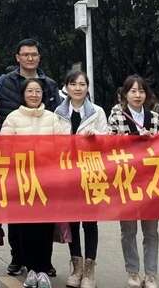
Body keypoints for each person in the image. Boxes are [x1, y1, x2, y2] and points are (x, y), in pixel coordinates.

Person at [0, 38, 62, 277]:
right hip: (15, 162)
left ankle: (44, 262)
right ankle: (18, 257)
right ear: (17, 57)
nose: (29, 58)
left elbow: (60, 115)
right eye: (25, 54)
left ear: (39, 57)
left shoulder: (49, 84)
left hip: (45, 166)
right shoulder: (4, 82)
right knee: (17, 214)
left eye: (33, 54)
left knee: (45, 215)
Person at [1, 77, 62, 288]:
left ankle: (43, 269)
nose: (34, 95)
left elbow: (62, 147)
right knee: (25, 227)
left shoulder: (52, 118)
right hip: (22, 182)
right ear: (23, 94)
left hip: (46, 182)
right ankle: (31, 270)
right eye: (30, 91)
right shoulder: (13, 118)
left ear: (43, 94)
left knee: (45, 228)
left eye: (38, 91)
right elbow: (4, 149)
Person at [108, 75, 159, 288]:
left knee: (151, 231)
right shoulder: (116, 116)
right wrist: (134, 141)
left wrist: (154, 140)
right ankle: (133, 272)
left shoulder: (155, 118)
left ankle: (151, 274)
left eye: (141, 91)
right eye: (132, 91)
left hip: (151, 182)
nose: (137, 95)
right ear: (125, 94)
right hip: (127, 180)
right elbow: (111, 144)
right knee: (128, 230)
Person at [54, 70, 108, 288]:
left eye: (82, 84)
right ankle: (76, 267)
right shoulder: (57, 113)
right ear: (66, 87)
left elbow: (107, 140)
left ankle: (89, 269)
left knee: (90, 222)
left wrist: (95, 139)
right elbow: (52, 143)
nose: (78, 88)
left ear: (87, 87)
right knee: (72, 220)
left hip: (90, 171)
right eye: (73, 84)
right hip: (67, 174)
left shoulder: (97, 112)